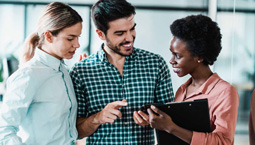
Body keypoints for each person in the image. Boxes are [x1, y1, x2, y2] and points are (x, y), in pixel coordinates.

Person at [69, 0, 174, 144]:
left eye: (132, 29)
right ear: (101, 34)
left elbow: (171, 120)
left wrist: (152, 121)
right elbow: (75, 131)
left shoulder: (156, 64)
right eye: (120, 33)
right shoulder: (81, 71)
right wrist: (98, 118)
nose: (129, 38)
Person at [147, 14, 239, 145]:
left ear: (199, 57)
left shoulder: (225, 92)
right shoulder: (182, 90)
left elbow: (223, 142)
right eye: (172, 53)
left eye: (177, 56)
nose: (171, 61)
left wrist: (170, 127)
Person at [0, 2, 82, 145]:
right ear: (49, 36)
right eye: (70, 38)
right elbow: (4, 130)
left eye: (78, 37)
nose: (77, 44)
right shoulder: (28, 75)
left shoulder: (63, 71)